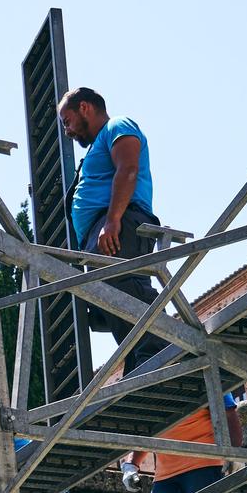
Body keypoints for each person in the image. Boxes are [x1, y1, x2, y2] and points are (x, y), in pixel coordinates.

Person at [57, 86, 169, 375]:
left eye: (67, 121)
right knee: (112, 299)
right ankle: (140, 363)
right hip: (103, 228)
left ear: (85, 108)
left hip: (122, 222)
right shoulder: (95, 148)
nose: (67, 131)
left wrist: (113, 219)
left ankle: (157, 353)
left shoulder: (118, 126)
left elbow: (128, 168)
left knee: (125, 286)